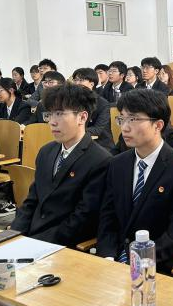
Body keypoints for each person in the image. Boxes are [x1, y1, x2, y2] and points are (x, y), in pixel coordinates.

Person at [97, 89, 173, 273]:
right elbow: (108, 218)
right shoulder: (117, 164)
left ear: (158, 125)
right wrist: (108, 257)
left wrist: (136, 264)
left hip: (156, 267)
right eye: (122, 119)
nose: (125, 127)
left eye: (133, 119)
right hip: (115, 262)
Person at [11, 84, 111, 247]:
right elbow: (32, 200)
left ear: (82, 117)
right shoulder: (46, 151)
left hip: (63, 244)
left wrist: (37, 243)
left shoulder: (100, 160)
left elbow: (83, 217)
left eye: (59, 114)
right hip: (32, 235)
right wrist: (14, 234)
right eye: (49, 114)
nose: (52, 122)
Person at [71, 68, 113, 151]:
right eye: (75, 80)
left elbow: (98, 129)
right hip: (75, 142)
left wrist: (74, 131)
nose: (77, 83)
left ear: (92, 84)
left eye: (81, 80)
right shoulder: (71, 101)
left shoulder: (102, 103)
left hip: (100, 144)